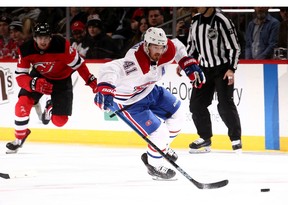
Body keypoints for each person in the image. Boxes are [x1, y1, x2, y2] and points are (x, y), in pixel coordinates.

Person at [94, 27, 206, 180]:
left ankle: (162, 148)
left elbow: (177, 45)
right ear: (146, 45)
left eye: (161, 46)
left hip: (150, 90)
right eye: (155, 47)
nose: (159, 51)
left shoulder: (165, 50)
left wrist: (186, 62)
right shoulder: (134, 61)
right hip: (130, 102)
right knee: (159, 133)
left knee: (179, 116)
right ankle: (154, 166)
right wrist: (105, 88)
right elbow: (110, 68)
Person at [6, 22, 97, 154]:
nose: (43, 41)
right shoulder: (26, 49)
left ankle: (50, 108)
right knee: (22, 104)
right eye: (39, 38)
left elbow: (79, 65)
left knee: (60, 121)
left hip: (62, 79)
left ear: (51, 37)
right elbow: (20, 76)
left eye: (46, 38)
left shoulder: (61, 45)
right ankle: (19, 139)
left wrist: (91, 81)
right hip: (39, 76)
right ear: (34, 38)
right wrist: (34, 83)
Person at [184, 7, 242, 153]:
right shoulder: (195, 20)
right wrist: (184, 62)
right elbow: (191, 45)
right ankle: (205, 139)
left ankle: (236, 139)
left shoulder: (222, 21)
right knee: (196, 105)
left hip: (222, 69)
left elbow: (234, 47)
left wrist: (231, 68)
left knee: (225, 104)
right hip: (203, 69)